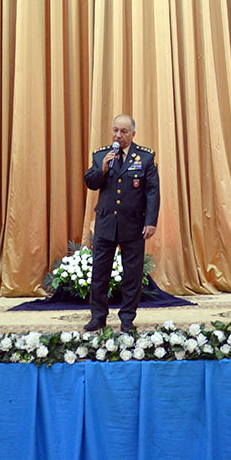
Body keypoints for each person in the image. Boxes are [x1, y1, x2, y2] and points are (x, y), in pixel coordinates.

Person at [83, 114, 159, 333]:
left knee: (132, 275)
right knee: (100, 273)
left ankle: (127, 318)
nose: (118, 135)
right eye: (115, 130)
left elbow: (152, 191)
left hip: (133, 225)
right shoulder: (101, 155)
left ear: (133, 134)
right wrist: (102, 169)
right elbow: (90, 183)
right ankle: (98, 317)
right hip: (106, 224)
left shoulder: (145, 157)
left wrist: (150, 221)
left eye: (123, 131)